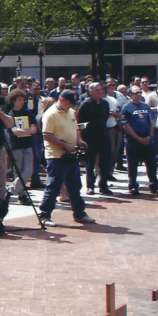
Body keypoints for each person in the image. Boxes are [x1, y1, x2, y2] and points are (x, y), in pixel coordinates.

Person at [38, 90, 96, 227]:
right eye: (70, 102)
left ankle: (79, 213)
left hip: (71, 154)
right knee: (53, 186)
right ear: (62, 100)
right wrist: (65, 145)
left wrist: (79, 141)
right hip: (56, 156)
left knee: (75, 185)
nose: (72, 106)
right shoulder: (50, 114)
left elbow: (75, 128)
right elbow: (47, 136)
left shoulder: (70, 112)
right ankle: (45, 215)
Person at [120, 85, 158, 195]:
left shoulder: (146, 106)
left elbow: (152, 121)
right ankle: (133, 185)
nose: (139, 95)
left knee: (151, 163)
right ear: (130, 95)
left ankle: (154, 185)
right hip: (133, 139)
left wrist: (150, 135)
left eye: (140, 92)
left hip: (147, 137)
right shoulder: (126, 107)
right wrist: (137, 138)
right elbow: (126, 125)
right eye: (136, 93)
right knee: (133, 164)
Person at [77, 82, 113, 196]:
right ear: (90, 91)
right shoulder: (86, 104)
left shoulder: (105, 104)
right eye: (97, 90)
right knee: (90, 162)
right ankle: (90, 185)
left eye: (100, 89)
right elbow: (79, 121)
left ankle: (103, 185)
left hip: (103, 135)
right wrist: (82, 138)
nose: (100, 92)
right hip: (90, 137)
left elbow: (105, 117)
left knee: (105, 161)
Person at [6, 89, 38, 204]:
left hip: (28, 144)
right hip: (16, 145)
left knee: (28, 170)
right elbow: (15, 132)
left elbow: (34, 129)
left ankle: (10, 190)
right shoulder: (10, 115)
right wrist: (27, 130)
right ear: (13, 101)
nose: (21, 102)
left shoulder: (28, 113)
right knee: (18, 171)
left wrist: (24, 131)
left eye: (23, 100)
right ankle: (22, 195)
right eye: (19, 100)